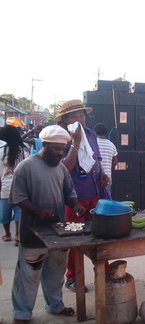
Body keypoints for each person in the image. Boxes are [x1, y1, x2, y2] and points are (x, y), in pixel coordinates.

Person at [9, 125, 85, 324]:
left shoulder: (61, 168)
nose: (60, 153)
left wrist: (75, 205)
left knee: (56, 273)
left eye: (62, 149)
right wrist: (38, 210)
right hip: (33, 232)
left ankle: (55, 305)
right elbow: (18, 198)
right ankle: (22, 313)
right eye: (56, 149)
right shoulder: (25, 167)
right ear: (44, 145)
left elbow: (69, 192)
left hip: (58, 231)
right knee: (29, 274)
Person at [55, 99, 110, 292]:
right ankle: (73, 276)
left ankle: (103, 271)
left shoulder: (91, 135)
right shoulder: (60, 138)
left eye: (82, 115)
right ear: (65, 120)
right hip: (73, 197)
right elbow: (64, 169)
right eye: (74, 116)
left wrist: (103, 173)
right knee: (75, 238)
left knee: (100, 235)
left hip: (95, 193)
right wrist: (75, 144)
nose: (79, 119)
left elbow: (96, 159)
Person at [0, 125, 29, 244]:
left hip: (4, 187)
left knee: (4, 213)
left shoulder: (1, 150)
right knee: (19, 212)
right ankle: (18, 234)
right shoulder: (24, 150)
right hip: (20, 187)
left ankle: (7, 234)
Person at [93, 123, 118, 196]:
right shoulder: (111, 145)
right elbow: (115, 163)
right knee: (106, 202)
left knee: (94, 203)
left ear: (94, 132)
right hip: (107, 178)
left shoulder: (93, 143)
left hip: (94, 177)